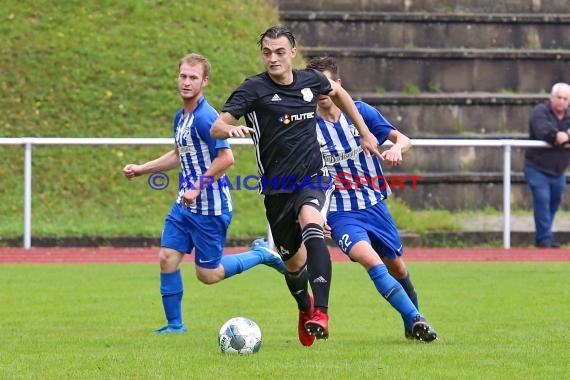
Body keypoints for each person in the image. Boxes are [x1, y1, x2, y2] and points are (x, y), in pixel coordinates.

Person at [211, 25, 381, 346]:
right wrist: (227, 131)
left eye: (279, 52)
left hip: (313, 177)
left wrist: (365, 133)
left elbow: (340, 93)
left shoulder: (309, 81)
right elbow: (218, 124)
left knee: (312, 225)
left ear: (292, 53)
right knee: (293, 263)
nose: (273, 58)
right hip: (276, 189)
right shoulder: (252, 89)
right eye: (266, 52)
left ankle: (323, 313)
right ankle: (306, 309)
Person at [122, 53, 284, 334]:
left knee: (208, 275)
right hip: (184, 206)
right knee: (166, 258)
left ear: (204, 81)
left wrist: (197, 188)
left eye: (193, 77)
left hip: (210, 208)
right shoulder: (181, 117)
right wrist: (142, 169)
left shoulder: (207, 117)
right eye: (183, 76)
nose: (186, 82)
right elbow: (178, 155)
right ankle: (175, 325)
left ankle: (261, 255)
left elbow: (226, 159)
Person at [306, 56, 437, 342]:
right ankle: (417, 319)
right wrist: (316, 213)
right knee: (370, 260)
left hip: (374, 205)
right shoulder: (307, 127)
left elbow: (403, 138)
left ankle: (411, 319)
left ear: (337, 85)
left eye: (325, 85)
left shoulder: (361, 112)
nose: (319, 91)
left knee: (398, 267)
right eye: (314, 85)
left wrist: (397, 149)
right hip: (341, 214)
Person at [524, 82, 570, 248]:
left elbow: (562, 138)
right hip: (537, 167)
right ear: (552, 98)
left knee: (554, 202)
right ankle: (545, 240)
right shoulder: (540, 112)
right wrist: (560, 137)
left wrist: (563, 137)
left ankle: (544, 237)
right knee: (542, 199)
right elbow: (544, 132)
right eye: (559, 97)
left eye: (566, 99)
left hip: (558, 170)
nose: (562, 101)